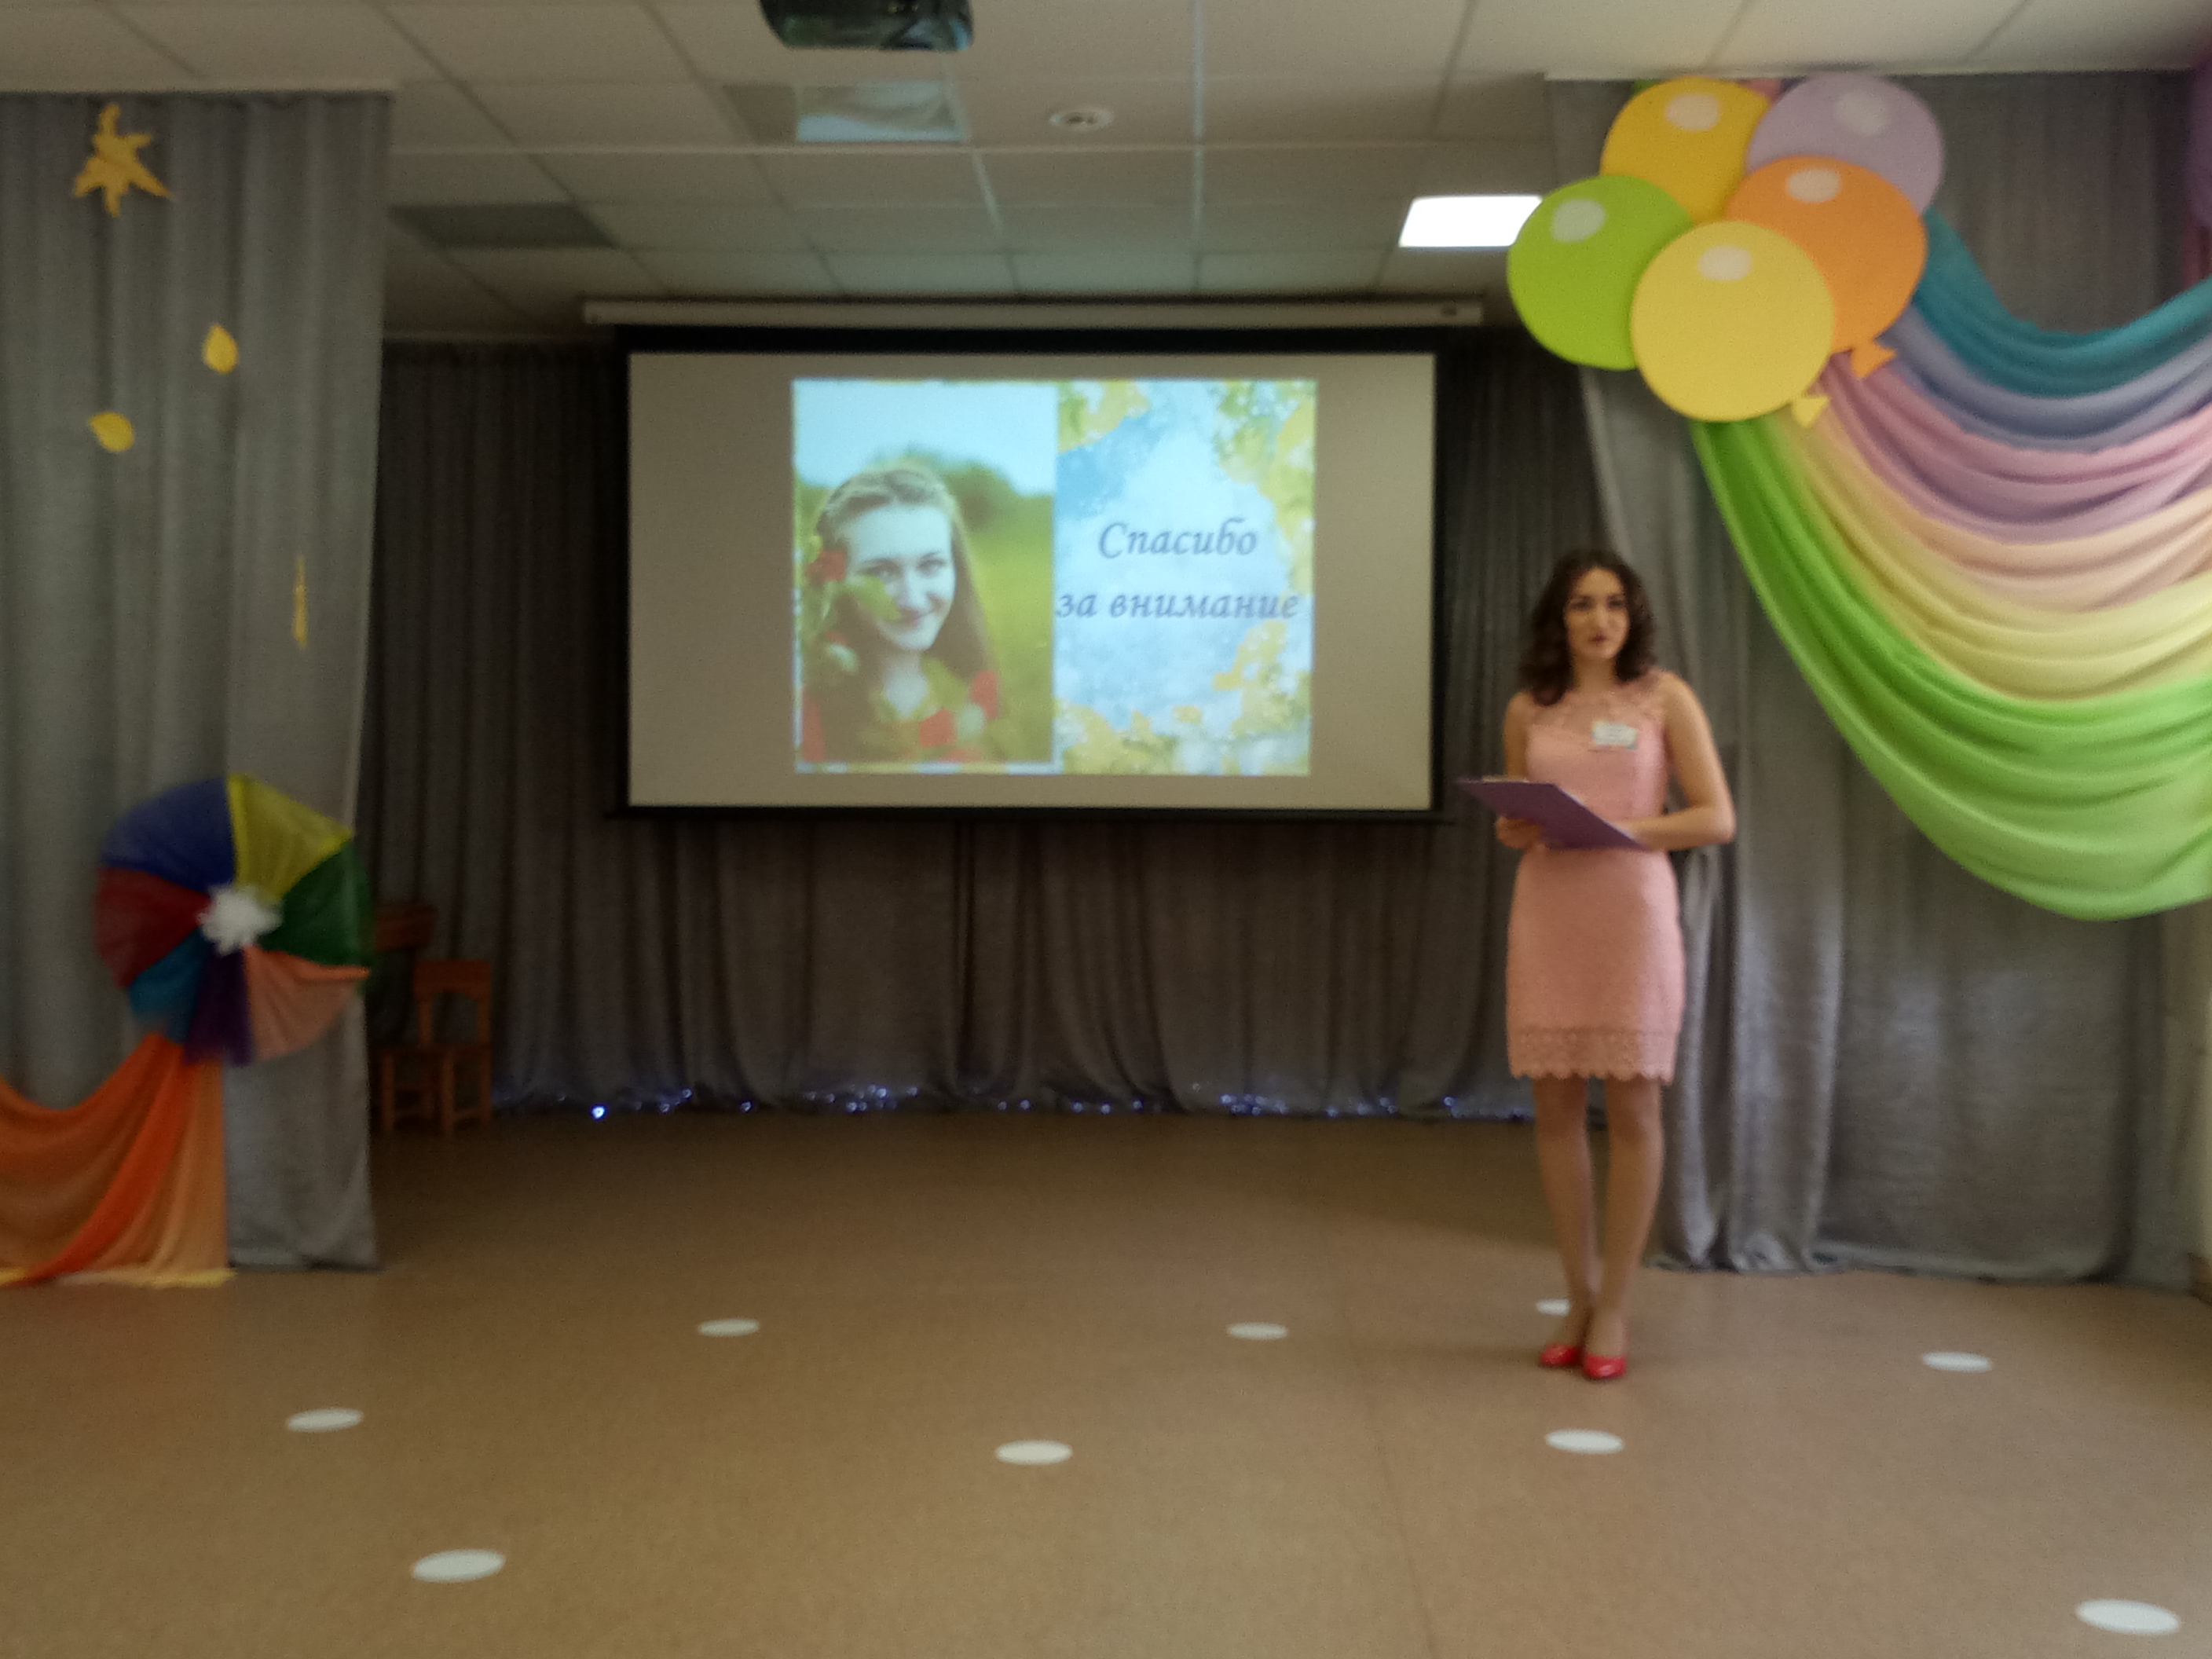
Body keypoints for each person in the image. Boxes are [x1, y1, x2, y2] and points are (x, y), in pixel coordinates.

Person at [1496, 550, 1734, 1382]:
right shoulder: (1528, 707)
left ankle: (1616, 1306)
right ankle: (1576, 1294)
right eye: (1581, 604)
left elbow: (1716, 818)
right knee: (1554, 1110)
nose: (1599, 620)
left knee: (1633, 1108)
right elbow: (1521, 813)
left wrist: (1623, 830)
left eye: (1614, 604)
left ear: (1633, 618)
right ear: (1557, 619)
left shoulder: (1664, 698)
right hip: (1549, 912)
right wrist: (1514, 827)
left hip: (1631, 913)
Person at [798, 465, 1002, 766]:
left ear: (956, 569)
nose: (912, 599)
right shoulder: (804, 713)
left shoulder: (982, 692)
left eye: (931, 565)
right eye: (882, 572)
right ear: (832, 580)